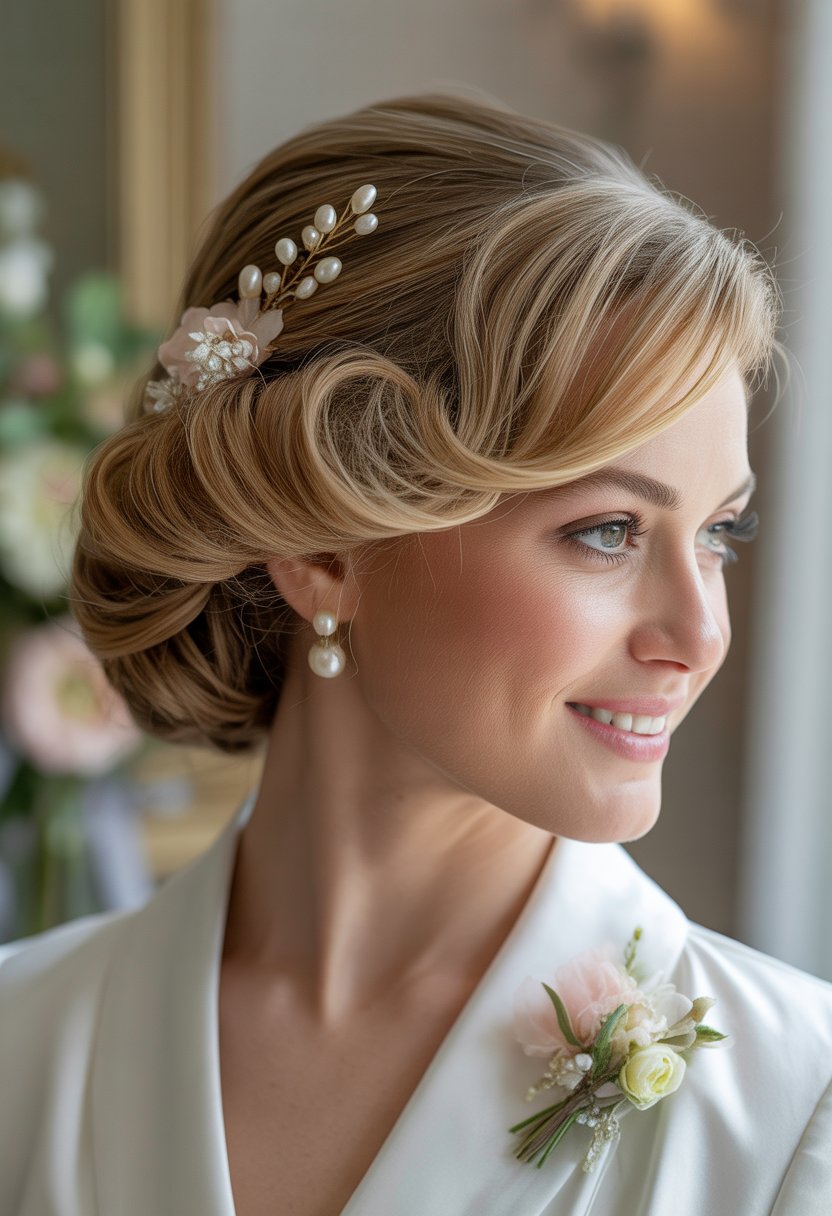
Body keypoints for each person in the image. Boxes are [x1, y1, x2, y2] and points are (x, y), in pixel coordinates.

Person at [0, 91, 830, 1216]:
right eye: (608, 531)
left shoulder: (790, 1107)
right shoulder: (24, 1048)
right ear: (325, 547)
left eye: (720, 534)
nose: (698, 633)